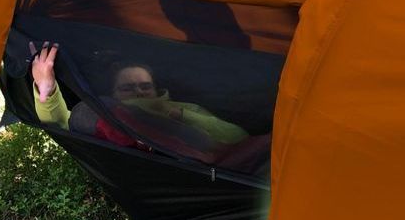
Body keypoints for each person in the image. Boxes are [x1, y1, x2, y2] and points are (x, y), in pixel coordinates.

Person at [28, 41, 249, 151]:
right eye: (128, 88)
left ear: (156, 89)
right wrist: (46, 90)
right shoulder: (104, 114)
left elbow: (237, 137)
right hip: (131, 157)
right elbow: (65, 126)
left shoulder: (182, 108)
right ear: (115, 94)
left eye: (145, 86)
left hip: (187, 159)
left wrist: (180, 115)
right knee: (85, 113)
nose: (139, 92)